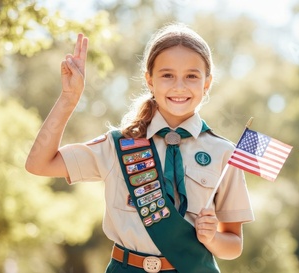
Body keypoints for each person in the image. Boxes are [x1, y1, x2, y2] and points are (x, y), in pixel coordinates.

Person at [26, 23, 254, 273]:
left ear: (207, 83)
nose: (179, 86)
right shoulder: (118, 146)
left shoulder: (224, 153)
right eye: (167, 75)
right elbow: (39, 164)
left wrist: (213, 238)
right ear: (149, 80)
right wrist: (69, 99)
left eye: (192, 76)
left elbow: (234, 245)